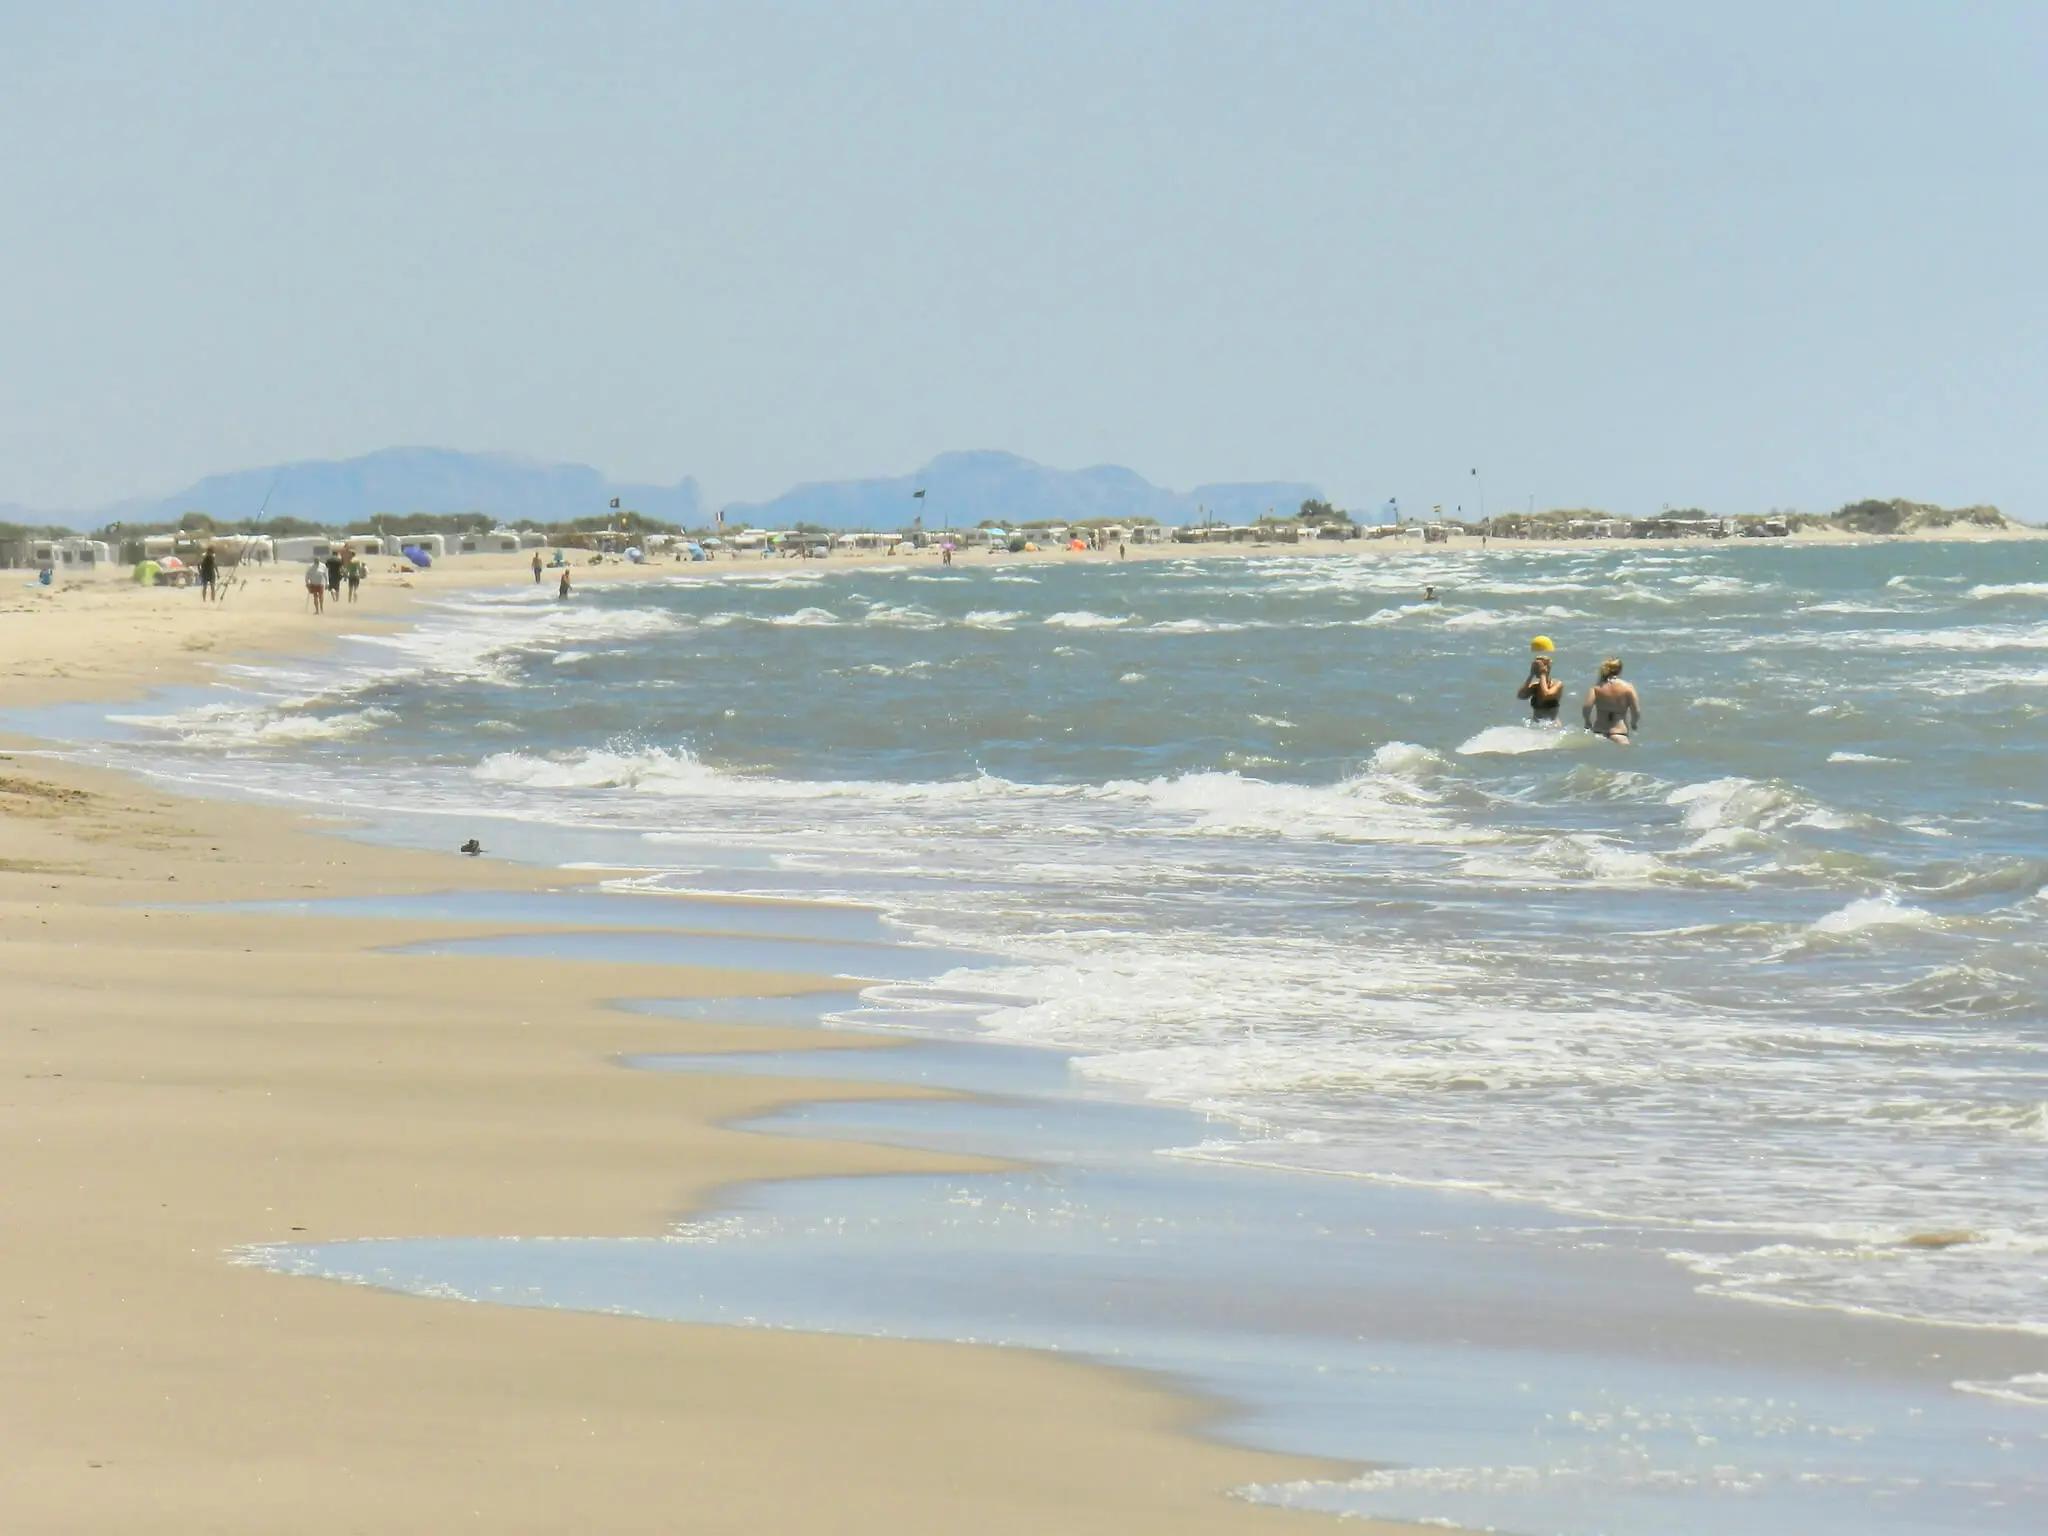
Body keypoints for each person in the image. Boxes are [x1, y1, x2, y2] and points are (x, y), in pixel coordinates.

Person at [1583, 657, 1641, 744]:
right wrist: (1634, 723)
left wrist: (1587, 721)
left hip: (1599, 731)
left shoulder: (1596, 688)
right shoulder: (1628, 687)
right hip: (1619, 733)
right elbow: (1636, 711)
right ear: (1620, 670)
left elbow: (1586, 707)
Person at [1518, 653, 1564, 721]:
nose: (1537, 669)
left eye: (1538, 667)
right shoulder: (1535, 686)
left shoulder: (1557, 684)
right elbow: (1521, 696)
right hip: (1536, 724)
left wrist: (1543, 673)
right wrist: (1531, 675)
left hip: (1552, 724)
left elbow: (1546, 695)